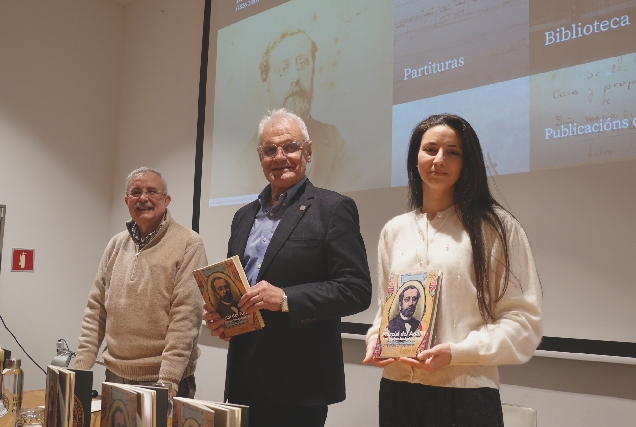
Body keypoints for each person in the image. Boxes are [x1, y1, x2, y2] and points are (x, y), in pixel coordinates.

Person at [363, 114, 542, 426]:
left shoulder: (496, 228)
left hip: (465, 392)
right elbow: (385, 312)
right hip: (397, 391)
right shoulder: (395, 231)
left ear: (467, 161)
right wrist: (376, 341)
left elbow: (522, 323)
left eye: (453, 152)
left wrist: (458, 352)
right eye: (430, 149)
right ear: (415, 158)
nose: (439, 159)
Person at [204, 108, 372, 427]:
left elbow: (356, 290)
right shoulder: (242, 217)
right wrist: (226, 319)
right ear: (260, 157)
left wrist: (284, 298)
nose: (279, 156)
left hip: (300, 385)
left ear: (308, 151)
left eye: (290, 147)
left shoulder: (332, 209)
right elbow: (239, 289)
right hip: (242, 379)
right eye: (270, 150)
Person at [74, 167, 207, 398]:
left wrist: (168, 380)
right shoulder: (115, 244)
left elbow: (186, 316)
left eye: (152, 192)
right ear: (127, 200)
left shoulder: (189, 243)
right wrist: (80, 370)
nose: (143, 198)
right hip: (114, 375)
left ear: (166, 200)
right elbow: (95, 310)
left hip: (162, 381)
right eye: (136, 192)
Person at [235, 29, 356, 194]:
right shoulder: (245, 162)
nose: (295, 77)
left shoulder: (333, 139)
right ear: (266, 86)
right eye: (284, 68)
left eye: (302, 63)